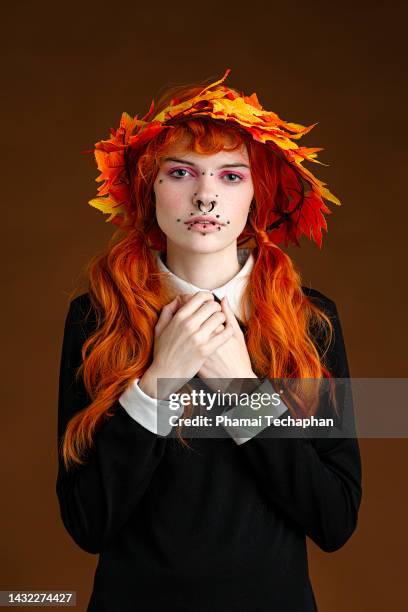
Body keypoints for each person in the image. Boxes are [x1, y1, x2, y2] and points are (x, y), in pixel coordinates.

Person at [56, 68, 362, 611]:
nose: (204, 197)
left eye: (230, 176)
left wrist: (242, 391)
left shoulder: (312, 320)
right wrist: (158, 385)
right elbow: (86, 522)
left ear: (257, 195)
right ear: (150, 188)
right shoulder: (96, 318)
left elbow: (334, 518)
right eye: (180, 173)